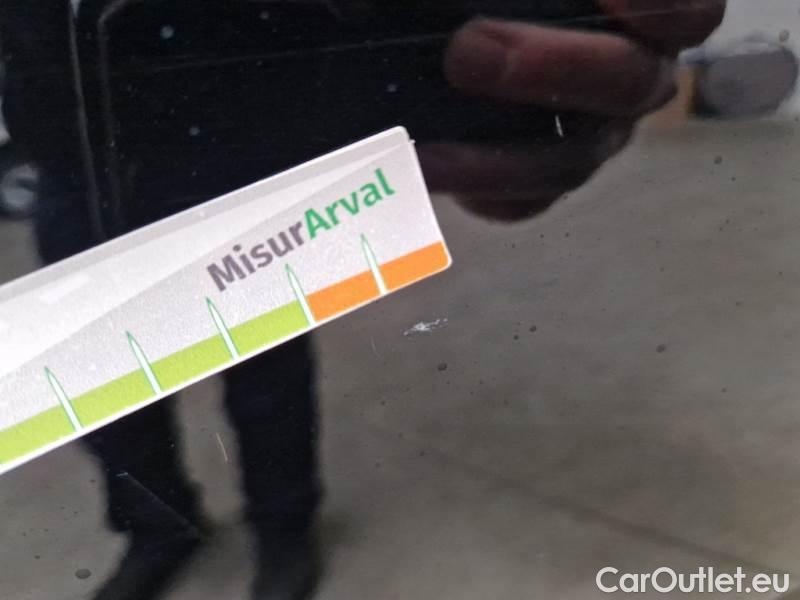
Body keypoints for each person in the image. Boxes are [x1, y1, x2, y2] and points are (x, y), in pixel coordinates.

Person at [0, 2, 725, 599]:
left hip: (227, 147)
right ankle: (157, 529)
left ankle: (283, 530)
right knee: (104, 382)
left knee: (266, 372)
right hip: (69, 153)